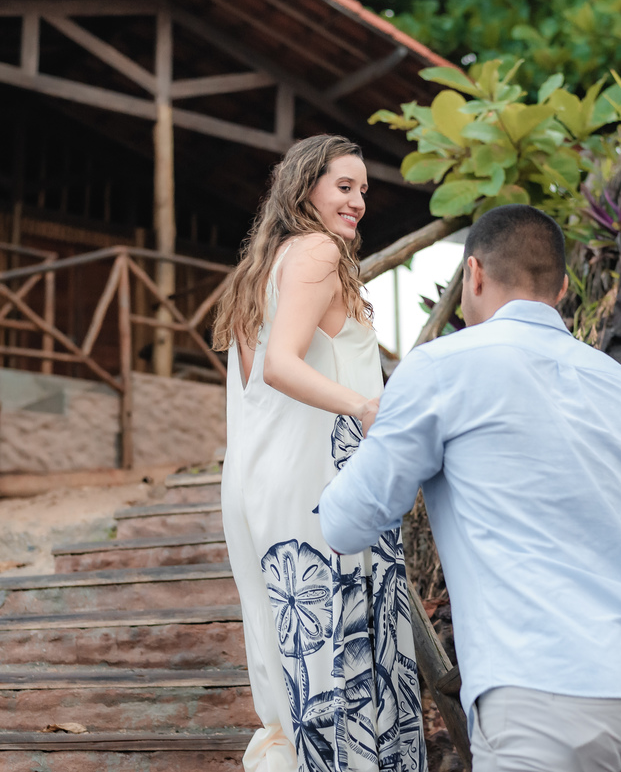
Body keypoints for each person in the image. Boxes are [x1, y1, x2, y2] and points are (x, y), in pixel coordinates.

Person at [318, 204, 621, 772]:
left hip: (543, 692)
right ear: (564, 288)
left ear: (472, 274)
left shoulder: (442, 367)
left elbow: (350, 524)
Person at [212, 135, 426, 772]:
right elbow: (279, 366)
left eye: (363, 189)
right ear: (306, 187)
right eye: (344, 186)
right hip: (316, 482)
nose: (358, 201)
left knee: (301, 659)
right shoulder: (317, 252)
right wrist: (367, 409)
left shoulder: (269, 265)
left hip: (266, 480)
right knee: (340, 649)